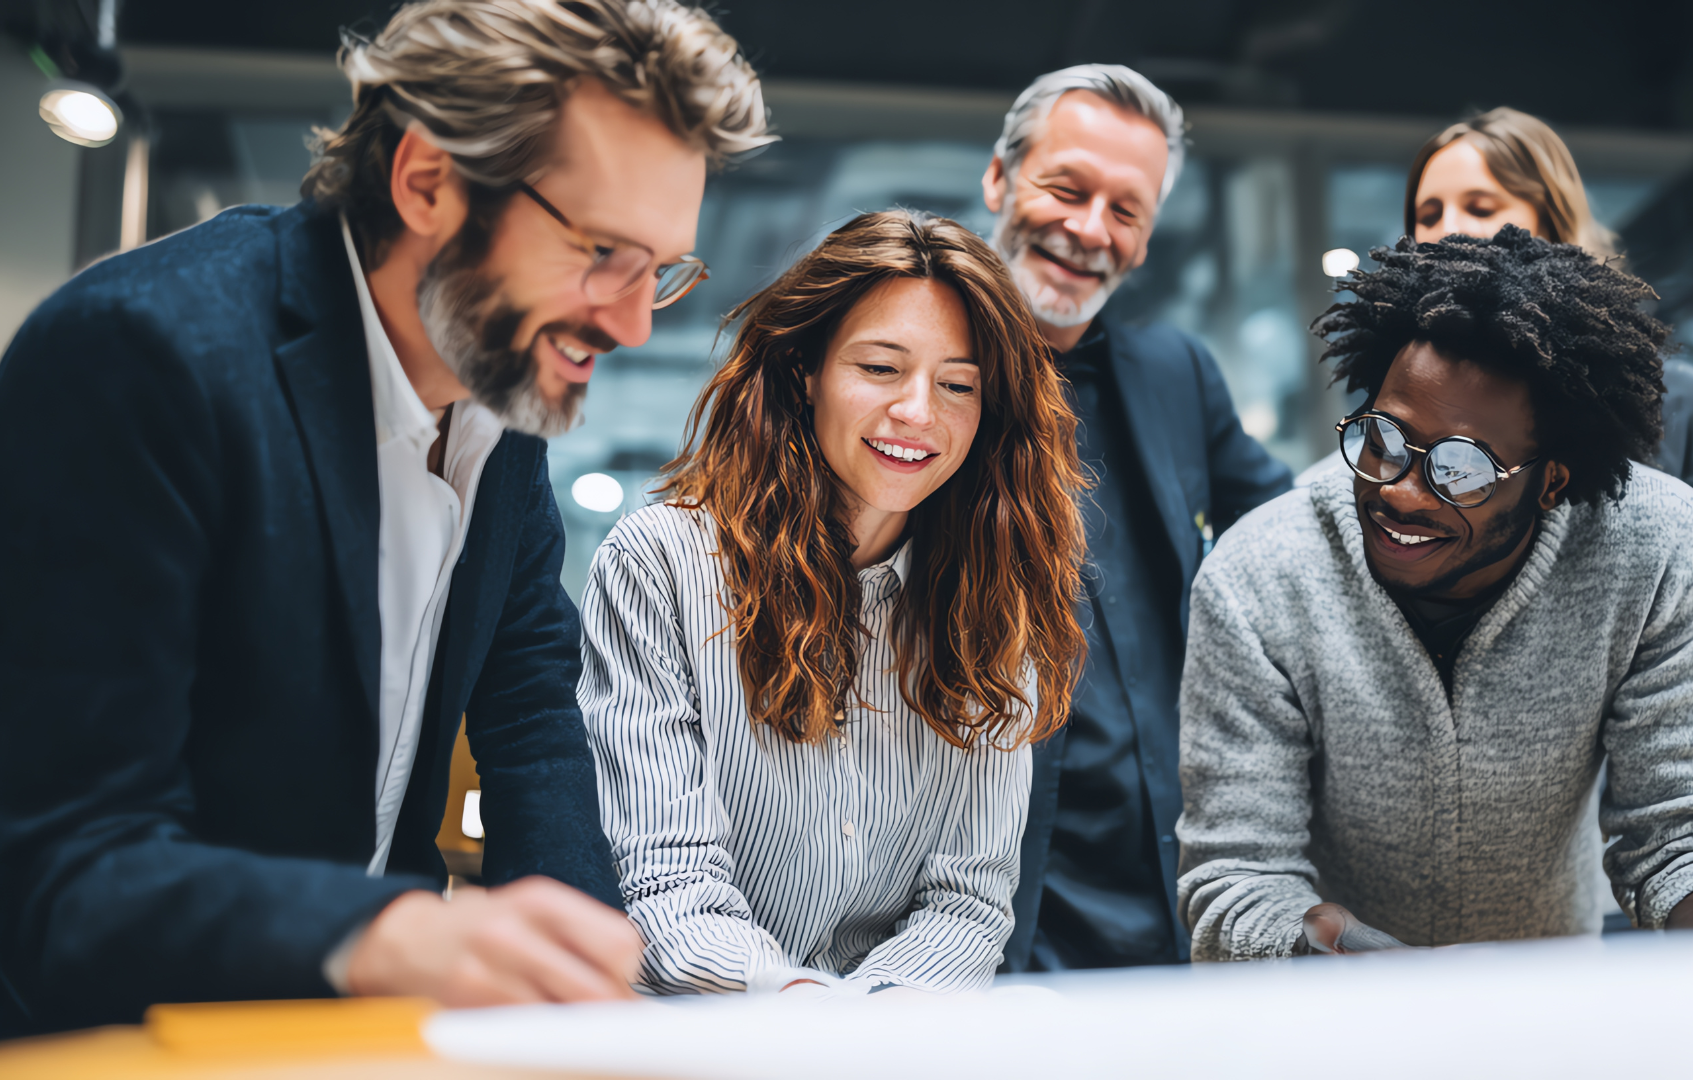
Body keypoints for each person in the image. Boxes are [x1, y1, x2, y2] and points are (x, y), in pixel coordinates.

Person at [0, 0, 770, 1033]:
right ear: (427, 182)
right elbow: (64, 865)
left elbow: (532, 707)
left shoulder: (495, 390)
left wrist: (585, 986)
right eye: (601, 252)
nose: (632, 321)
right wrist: (396, 931)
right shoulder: (141, 357)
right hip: (115, 1034)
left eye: (662, 271)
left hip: (350, 1034)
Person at [1177, 228, 1693, 960]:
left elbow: (1680, 835)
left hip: (1549, 1006)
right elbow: (1235, 876)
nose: (1402, 493)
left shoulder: (1658, 549)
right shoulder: (1260, 574)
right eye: (1383, 439)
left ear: (1553, 482)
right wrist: (1334, 951)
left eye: (1460, 469)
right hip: (1330, 1030)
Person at [579, 210, 1087, 996]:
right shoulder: (661, 566)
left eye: (957, 385)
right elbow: (664, 887)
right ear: (805, 370)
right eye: (881, 368)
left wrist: (863, 1032)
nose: (919, 412)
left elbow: (968, 905)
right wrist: (803, 1013)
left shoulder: (995, 604)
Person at [979, 66, 1294, 973]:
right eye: (1066, 188)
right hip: (986, 890)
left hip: (1173, 880)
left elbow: (1294, 535)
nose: (1088, 231)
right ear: (1000, 179)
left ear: (1149, 238)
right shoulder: (918, 362)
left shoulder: (1175, 372)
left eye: (1126, 208)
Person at [1405, 107, 1693, 709]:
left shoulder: (1675, 399)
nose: (1447, 229)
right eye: (1427, 214)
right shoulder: (1400, 425)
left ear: (1549, 224)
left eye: (1479, 206)